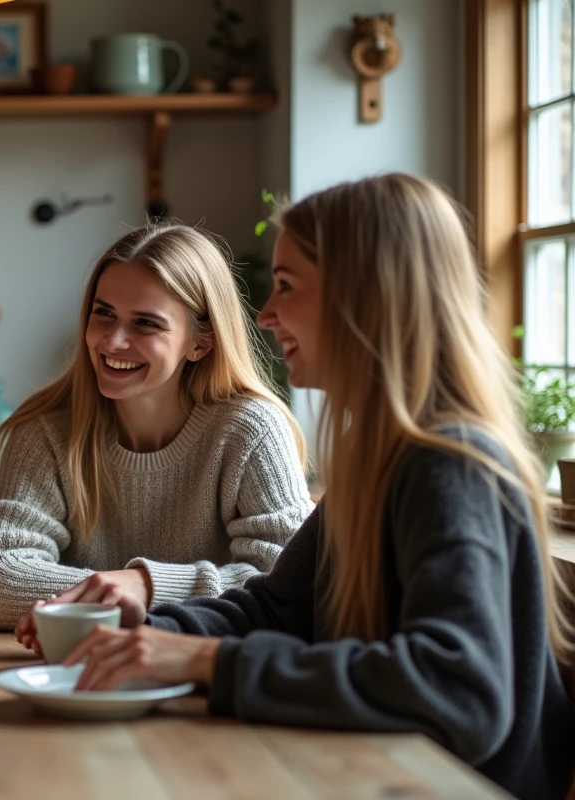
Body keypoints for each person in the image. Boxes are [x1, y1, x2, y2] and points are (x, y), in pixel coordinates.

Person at [59, 175, 575, 800]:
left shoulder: (450, 464)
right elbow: (276, 609)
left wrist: (204, 663)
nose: (266, 314)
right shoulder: (378, 458)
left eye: (285, 287)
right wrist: (152, 636)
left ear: (364, 298)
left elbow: (458, 690)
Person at [0, 223, 313, 633]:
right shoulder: (46, 432)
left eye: (145, 323)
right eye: (104, 313)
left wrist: (145, 586)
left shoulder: (251, 431)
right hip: (76, 671)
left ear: (200, 342)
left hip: (201, 671)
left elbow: (292, 583)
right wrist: (119, 592)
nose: (113, 341)